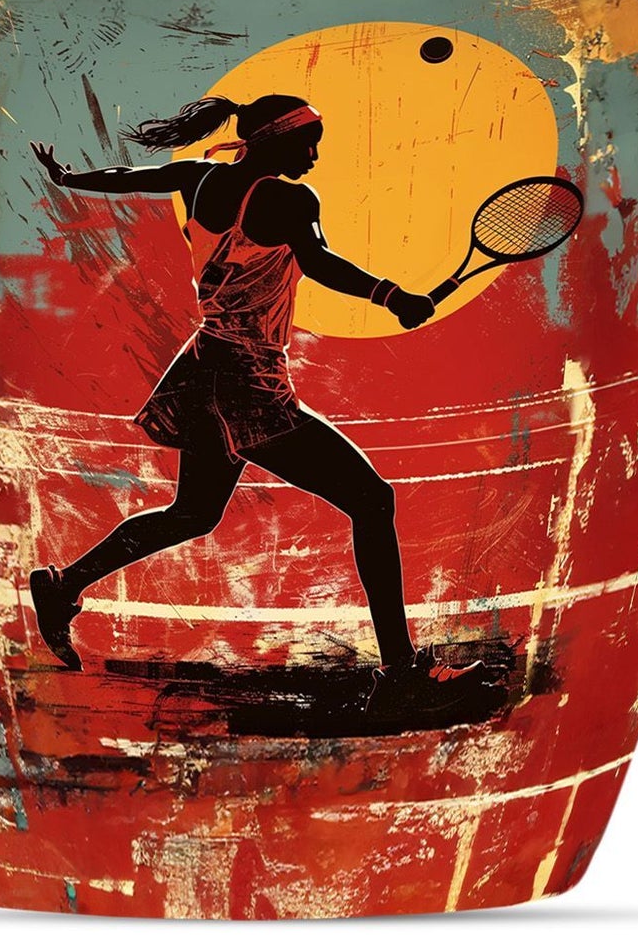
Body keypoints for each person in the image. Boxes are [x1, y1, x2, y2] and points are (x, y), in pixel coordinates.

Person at [27, 93, 460, 706]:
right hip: (246, 377)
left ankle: (63, 584)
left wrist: (69, 178)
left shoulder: (197, 178)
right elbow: (319, 262)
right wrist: (391, 296)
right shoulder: (289, 200)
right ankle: (401, 675)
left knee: (193, 513)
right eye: (307, 143)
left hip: (203, 365)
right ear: (275, 142)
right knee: (371, 499)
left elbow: (128, 178)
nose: (314, 156)